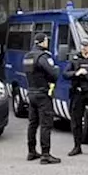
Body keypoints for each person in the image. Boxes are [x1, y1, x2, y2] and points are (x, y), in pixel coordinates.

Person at [22, 33, 61, 164]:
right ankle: (45, 154)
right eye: (46, 40)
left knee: (32, 124)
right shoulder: (43, 56)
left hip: (31, 93)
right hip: (42, 94)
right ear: (41, 42)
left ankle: (31, 151)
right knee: (45, 124)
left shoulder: (27, 56)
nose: (47, 42)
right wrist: (56, 68)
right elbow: (53, 74)